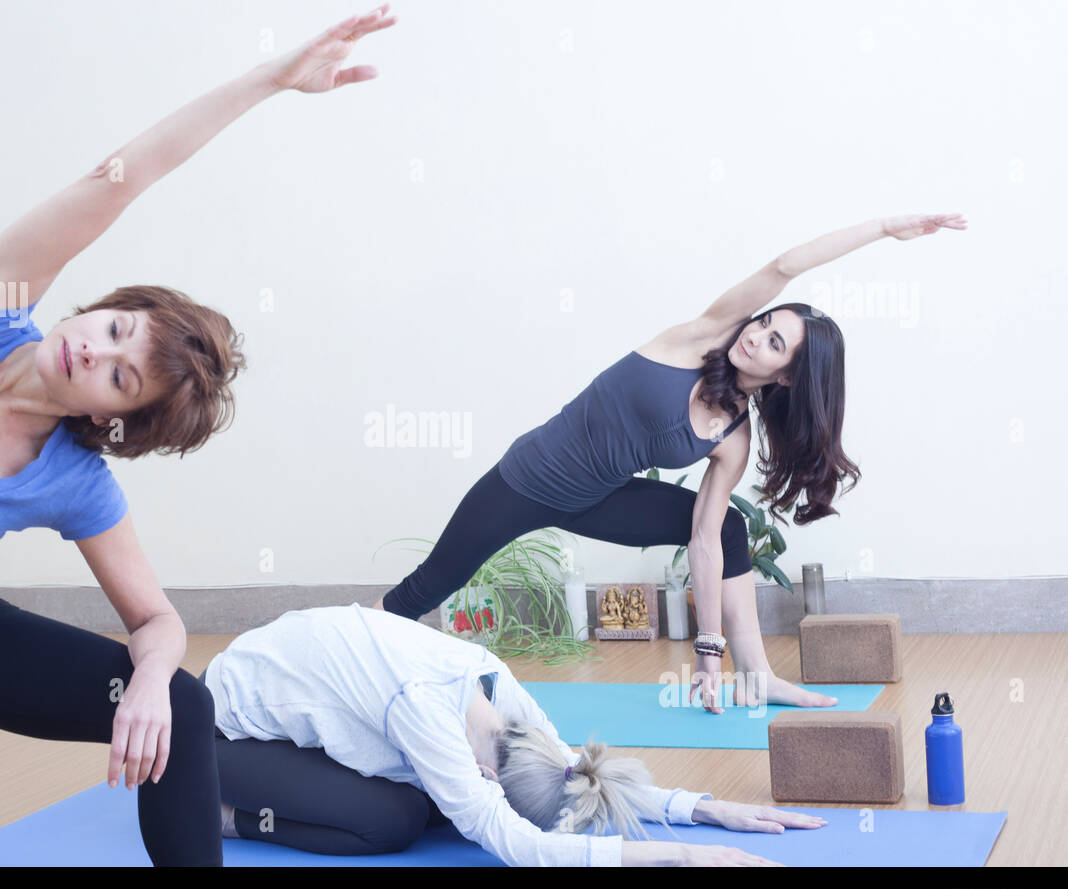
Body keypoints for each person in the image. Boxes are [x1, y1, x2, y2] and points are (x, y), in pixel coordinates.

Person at [0, 6, 398, 866]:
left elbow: (156, 619)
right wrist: (269, 79)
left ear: (112, 416)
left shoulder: (73, 481)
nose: (94, 347)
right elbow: (122, 178)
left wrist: (147, 682)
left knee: (181, 702)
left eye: (119, 374)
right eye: (115, 327)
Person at [377, 213, 966, 713]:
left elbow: (705, 544)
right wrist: (886, 228)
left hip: (597, 498)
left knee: (729, 528)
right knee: (427, 587)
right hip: (527, 479)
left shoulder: (733, 438)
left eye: (775, 344)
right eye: (765, 324)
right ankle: (345, 659)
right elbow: (786, 266)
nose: (757, 337)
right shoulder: (702, 337)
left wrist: (708, 652)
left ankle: (755, 675)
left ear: (785, 377)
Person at [206, 603, 828, 866]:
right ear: (489, 777)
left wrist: (704, 810)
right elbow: (525, 851)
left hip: (317, 699)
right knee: (394, 824)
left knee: (428, 810)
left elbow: (577, 769)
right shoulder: (426, 713)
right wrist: (679, 854)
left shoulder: (506, 701)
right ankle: (230, 817)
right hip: (224, 731)